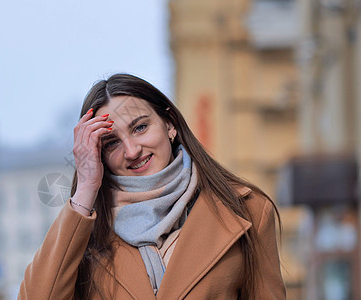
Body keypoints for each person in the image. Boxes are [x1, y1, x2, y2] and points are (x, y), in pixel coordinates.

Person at [19, 74, 285, 299]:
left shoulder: (246, 211)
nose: (132, 150)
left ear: (169, 124)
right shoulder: (87, 233)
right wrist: (86, 188)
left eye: (140, 127)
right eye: (111, 143)